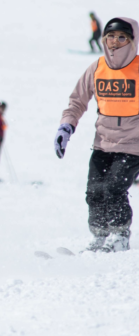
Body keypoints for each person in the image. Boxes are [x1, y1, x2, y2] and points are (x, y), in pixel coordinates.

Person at [55, 17, 139, 253]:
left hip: (133, 146)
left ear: (132, 41)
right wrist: (66, 127)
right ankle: (100, 236)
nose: (115, 42)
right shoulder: (97, 68)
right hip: (102, 144)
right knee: (94, 191)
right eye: (110, 37)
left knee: (114, 188)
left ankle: (120, 235)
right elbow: (77, 101)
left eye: (122, 37)